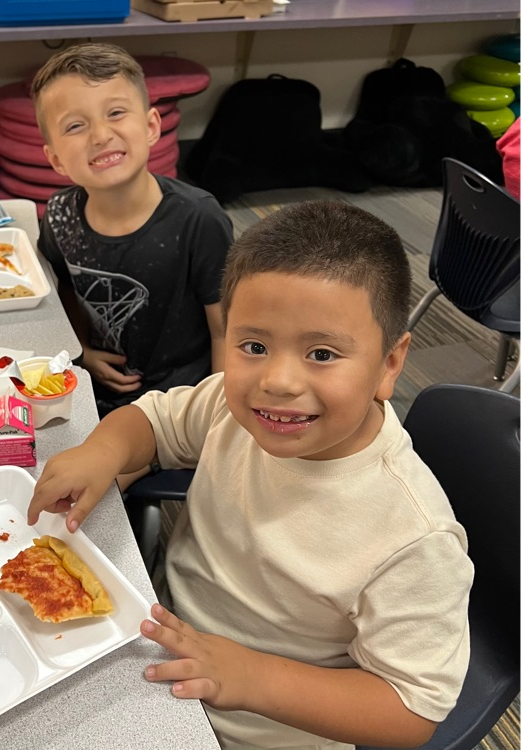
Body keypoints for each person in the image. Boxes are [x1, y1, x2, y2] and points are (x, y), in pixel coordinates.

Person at [27, 201, 474, 750]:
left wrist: (251, 677)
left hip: (255, 730)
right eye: (254, 346)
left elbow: (411, 711)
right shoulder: (233, 408)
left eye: (322, 353)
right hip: (152, 644)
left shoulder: (414, 538)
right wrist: (101, 451)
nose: (278, 381)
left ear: (389, 364)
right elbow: (153, 420)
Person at [31, 43, 233, 421]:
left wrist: (218, 419)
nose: (100, 135)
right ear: (56, 159)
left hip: (180, 406)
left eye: (116, 113)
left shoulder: (199, 219)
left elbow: (226, 331)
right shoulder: (59, 215)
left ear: (151, 125)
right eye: (75, 125)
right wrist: (82, 353)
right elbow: (66, 291)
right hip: (93, 394)